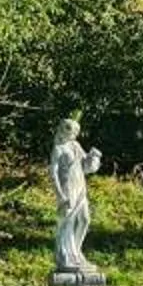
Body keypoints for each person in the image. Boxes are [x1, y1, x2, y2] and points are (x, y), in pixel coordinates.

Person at [50, 116, 104, 277]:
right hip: (68, 189)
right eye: (72, 131)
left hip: (80, 187)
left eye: (76, 132)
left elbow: (86, 167)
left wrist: (93, 157)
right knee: (67, 222)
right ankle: (65, 255)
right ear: (64, 130)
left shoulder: (76, 145)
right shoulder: (58, 149)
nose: (75, 134)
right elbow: (53, 173)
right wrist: (60, 195)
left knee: (85, 220)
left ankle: (76, 253)